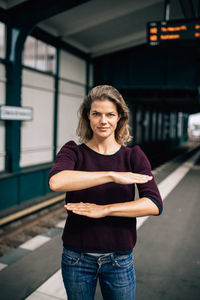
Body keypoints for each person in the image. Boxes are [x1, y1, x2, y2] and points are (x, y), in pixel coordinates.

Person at [48, 85, 163, 300]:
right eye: (96, 114)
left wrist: (105, 210)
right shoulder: (73, 151)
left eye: (110, 114)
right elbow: (56, 181)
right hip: (76, 259)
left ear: (119, 117)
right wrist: (111, 175)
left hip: (119, 260)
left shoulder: (133, 156)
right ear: (87, 117)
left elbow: (154, 204)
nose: (103, 121)